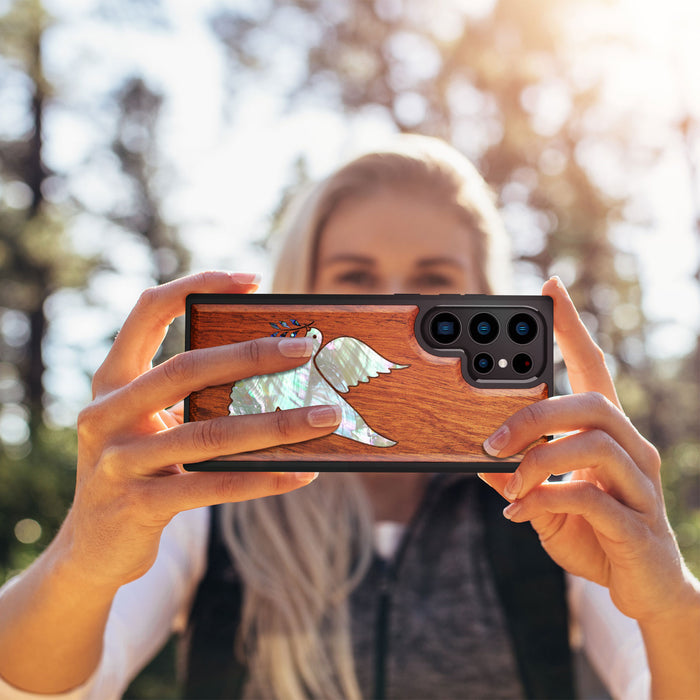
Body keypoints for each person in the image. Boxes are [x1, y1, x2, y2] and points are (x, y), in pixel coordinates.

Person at [0, 135, 698, 700]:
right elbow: (43, 687)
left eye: (433, 281)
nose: (393, 304)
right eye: (355, 279)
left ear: (486, 300)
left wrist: (669, 603)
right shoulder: (208, 494)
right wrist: (81, 559)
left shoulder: (553, 500)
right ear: (299, 294)